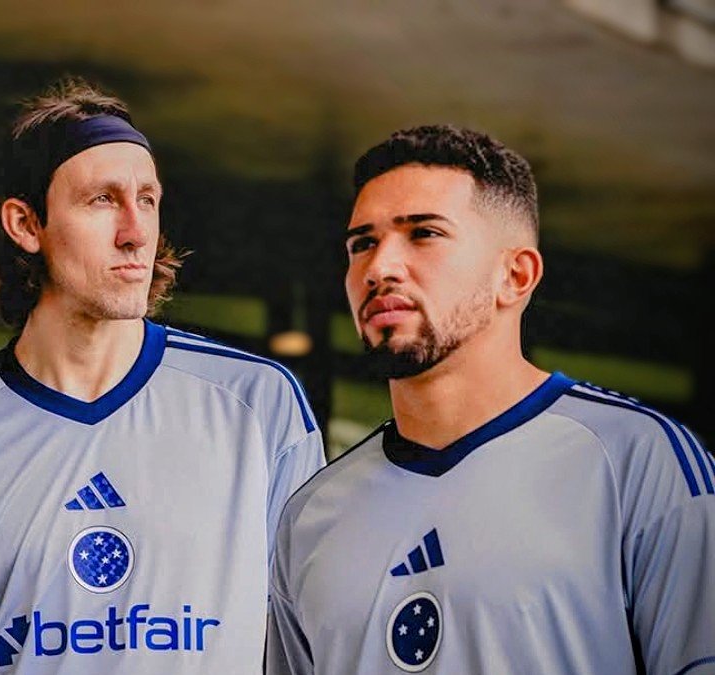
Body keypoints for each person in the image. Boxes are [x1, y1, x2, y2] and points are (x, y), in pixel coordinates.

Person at [0, 77, 327, 674]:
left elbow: (314, 643)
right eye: (102, 200)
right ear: (25, 224)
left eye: (147, 199)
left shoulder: (259, 406)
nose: (136, 232)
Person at [266, 124, 715, 674]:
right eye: (363, 243)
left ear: (515, 275)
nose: (379, 268)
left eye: (424, 233)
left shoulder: (637, 460)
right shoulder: (310, 516)